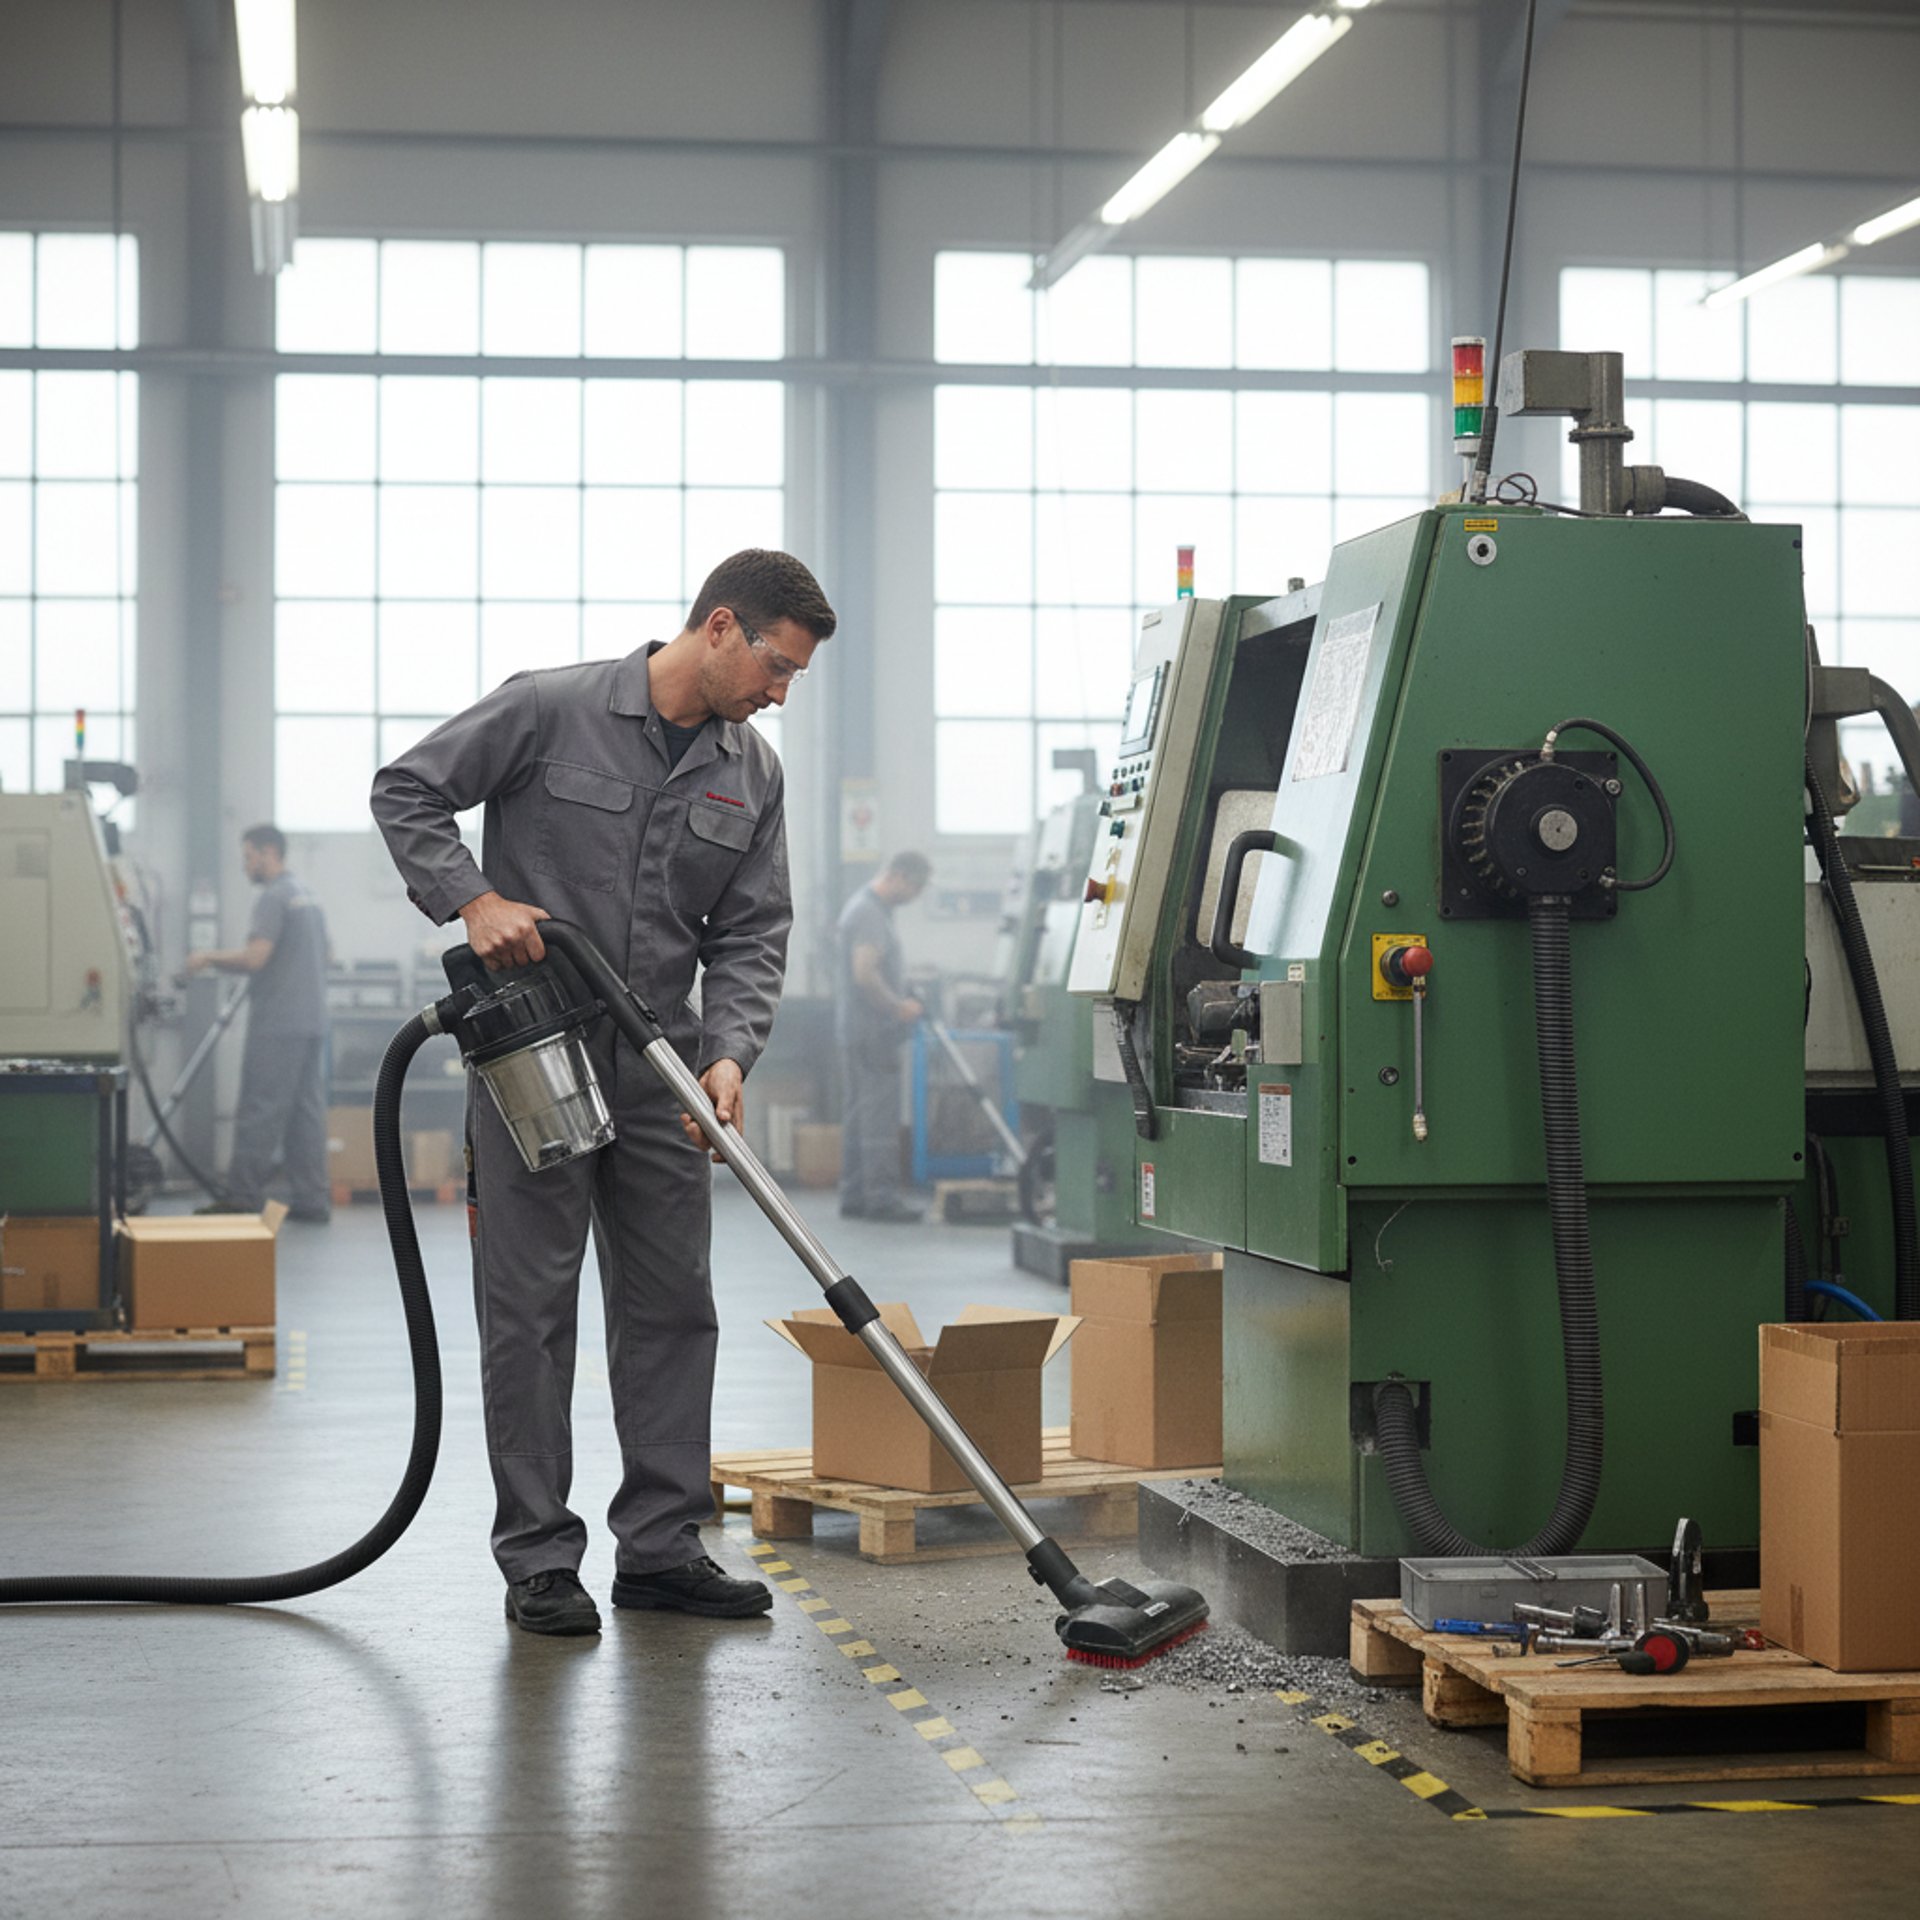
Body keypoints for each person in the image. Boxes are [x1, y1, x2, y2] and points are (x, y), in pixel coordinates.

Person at [370, 549, 834, 1638]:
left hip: (664, 1067)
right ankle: (539, 1558)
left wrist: (729, 1053)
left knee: (673, 1309)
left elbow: (755, 931)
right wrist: (472, 899)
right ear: (721, 627)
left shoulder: (751, 774)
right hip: (533, 1055)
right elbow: (407, 790)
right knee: (528, 1312)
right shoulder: (549, 709)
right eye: (777, 666)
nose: (779, 693)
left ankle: (663, 1551)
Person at [185, 824, 332, 1223]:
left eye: (248, 856)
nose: (245, 865)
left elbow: (254, 959)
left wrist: (206, 958)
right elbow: (328, 956)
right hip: (312, 1020)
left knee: (260, 1109)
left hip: (279, 1023)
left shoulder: (273, 897)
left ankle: (241, 1197)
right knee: (306, 1113)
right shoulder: (308, 896)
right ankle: (312, 1199)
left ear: (269, 853)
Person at [835, 850, 932, 1223]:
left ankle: (855, 1195)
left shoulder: (863, 908)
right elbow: (865, 973)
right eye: (915, 887)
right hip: (874, 1032)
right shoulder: (870, 913)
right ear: (899, 876)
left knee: (860, 1114)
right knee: (878, 1117)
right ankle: (881, 1197)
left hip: (857, 1030)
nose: (913, 896)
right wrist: (898, 1007)